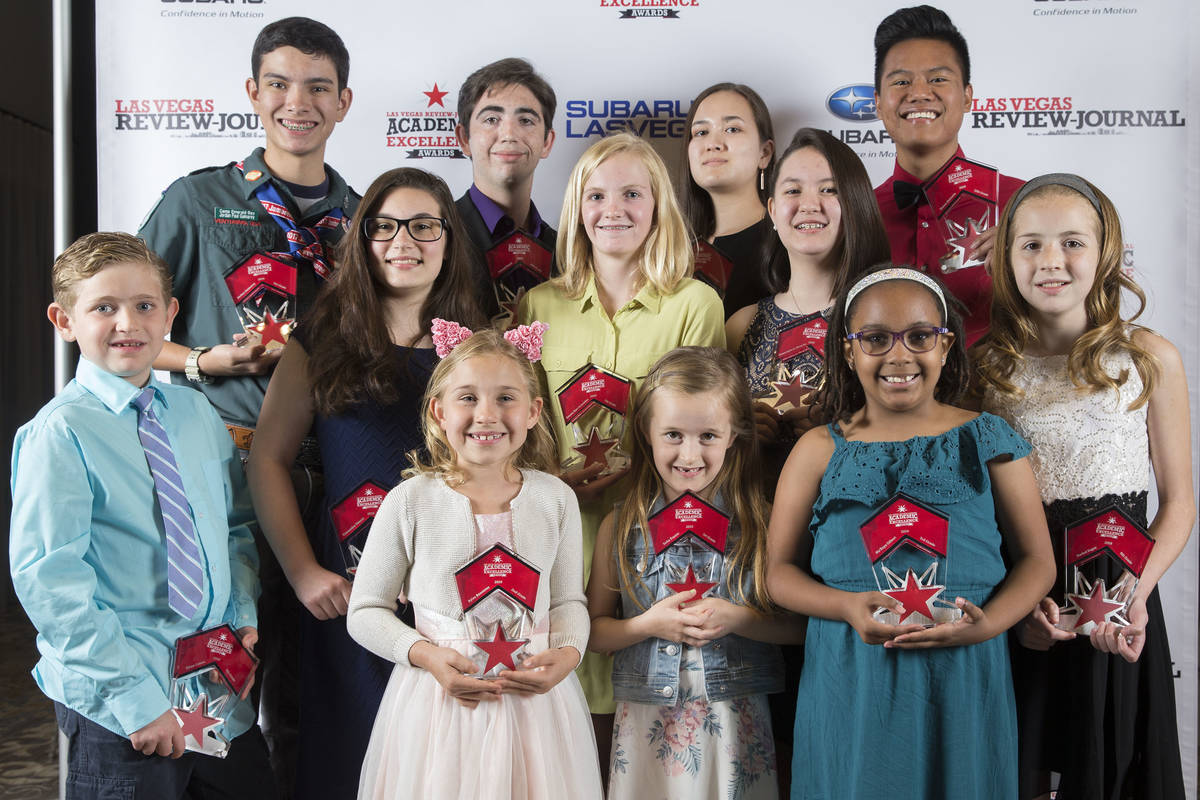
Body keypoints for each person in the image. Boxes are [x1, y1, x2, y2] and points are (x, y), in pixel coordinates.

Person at [137, 17, 357, 792]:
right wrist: (201, 359)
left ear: (344, 102)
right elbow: (122, 329)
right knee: (220, 675)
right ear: (253, 93)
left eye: (318, 87)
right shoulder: (198, 201)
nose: (299, 102)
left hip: (332, 480)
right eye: (281, 84)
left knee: (314, 685)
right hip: (225, 474)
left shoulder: (367, 218)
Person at [766, 265, 1055, 799]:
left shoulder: (989, 438)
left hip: (963, 669)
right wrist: (845, 607)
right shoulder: (817, 450)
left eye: (920, 336)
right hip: (852, 675)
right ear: (848, 351)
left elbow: (1038, 561)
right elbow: (779, 574)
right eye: (876, 339)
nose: (899, 356)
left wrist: (987, 626)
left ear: (945, 346)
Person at [246, 168, 484, 798]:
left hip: (449, 583)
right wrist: (303, 572)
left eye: (423, 225)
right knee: (347, 750)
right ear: (363, 239)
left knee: (440, 760)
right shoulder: (321, 337)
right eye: (384, 226)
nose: (403, 241)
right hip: (346, 583)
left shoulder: (476, 344)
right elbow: (267, 459)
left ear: (449, 239)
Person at [10, 233, 274, 798]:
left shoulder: (196, 411)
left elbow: (234, 527)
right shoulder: (59, 433)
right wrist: (136, 701)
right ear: (64, 321)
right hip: (122, 702)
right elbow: (52, 582)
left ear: (170, 314)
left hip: (214, 689)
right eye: (104, 307)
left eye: (144, 305)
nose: (127, 323)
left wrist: (240, 610)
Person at [974, 174, 1192, 800]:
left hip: (1116, 593)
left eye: (1072, 242)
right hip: (1026, 593)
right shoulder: (984, 371)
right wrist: (1018, 611)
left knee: (1110, 761)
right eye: (1031, 244)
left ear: (1105, 252)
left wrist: (1133, 594)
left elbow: (1179, 502)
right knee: (1021, 762)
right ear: (1006, 257)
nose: (1051, 261)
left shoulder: (1149, 358)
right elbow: (980, 514)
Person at [517, 131, 725, 771]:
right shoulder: (537, 305)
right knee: (562, 731)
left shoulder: (694, 304)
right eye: (597, 195)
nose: (614, 210)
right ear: (577, 207)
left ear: (658, 205)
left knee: (641, 739)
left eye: (633, 194)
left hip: (653, 543)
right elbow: (520, 426)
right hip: (556, 539)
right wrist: (550, 475)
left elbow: (704, 432)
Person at [346, 326, 603, 799]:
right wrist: (425, 655)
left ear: (533, 411)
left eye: (506, 397)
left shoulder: (556, 499)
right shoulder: (409, 501)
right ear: (439, 411)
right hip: (439, 708)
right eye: (468, 397)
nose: (487, 414)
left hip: (535, 709)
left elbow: (568, 601)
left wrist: (569, 654)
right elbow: (364, 611)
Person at [588, 347, 801, 799]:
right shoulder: (620, 526)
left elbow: (801, 629)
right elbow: (595, 633)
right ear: (646, 432)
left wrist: (739, 618)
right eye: (673, 435)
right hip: (647, 721)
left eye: (708, 435)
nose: (690, 453)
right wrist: (647, 625)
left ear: (733, 435)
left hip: (735, 719)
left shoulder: (763, 523)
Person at [727, 128, 891, 476]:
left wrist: (846, 430)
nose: (809, 204)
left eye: (829, 190)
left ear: (855, 203)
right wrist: (738, 430)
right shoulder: (741, 325)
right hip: (755, 505)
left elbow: (919, 429)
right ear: (773, 210)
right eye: (793, 190)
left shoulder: (886, 322)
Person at [871, 5, 1023, 345]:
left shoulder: (1025, 205)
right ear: (878, 102)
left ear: (967, 96)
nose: (919, 93)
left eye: (938, 79)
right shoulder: (856, 214)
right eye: (901, 81)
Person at [454, 57, 559, 324]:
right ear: (464, 139)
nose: (509, 134)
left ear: (547, 142)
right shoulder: (436, 237)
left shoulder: (569, 252)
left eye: (526, 120)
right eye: (491, 119)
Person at [678, 83, 778, 317]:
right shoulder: (672, 246)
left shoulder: (786, 244)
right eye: (701, 132)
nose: (713, 144)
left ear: (764, 153)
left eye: (732, 129)